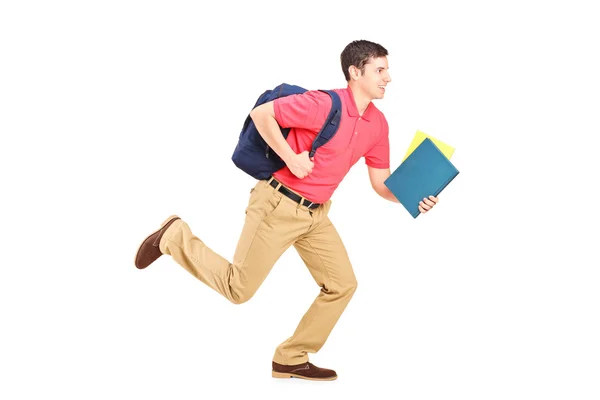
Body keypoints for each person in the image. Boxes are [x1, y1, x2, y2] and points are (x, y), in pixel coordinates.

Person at [134, 39, 438, 381]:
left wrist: (415, 196)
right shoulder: (323, 104)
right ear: (356, 72)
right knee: (239, 289)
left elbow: (381, 184)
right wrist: (292, 159)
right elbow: (262, 115)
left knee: (343, 285)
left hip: (316, 215)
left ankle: (290, 357)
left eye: (388, 70)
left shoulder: (377, 125)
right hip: (277, 204)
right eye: (380, 70)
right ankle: (174, 237)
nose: (388, 78)